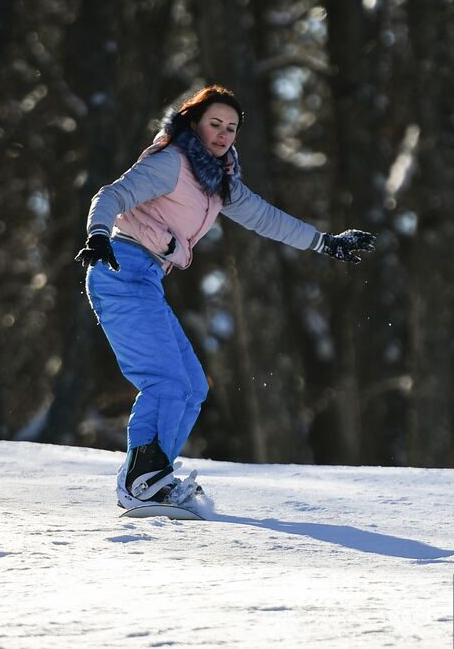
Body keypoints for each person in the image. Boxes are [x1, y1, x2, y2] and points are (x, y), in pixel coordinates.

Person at [75, 85, 375, 509]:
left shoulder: (217, 183)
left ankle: (149, 478)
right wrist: (99, 234)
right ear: (194, 122)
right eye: (215, 124)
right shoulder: (172, 163)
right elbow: (111, 194)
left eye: (231, 129)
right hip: (119, 266)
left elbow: (265, 217)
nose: (222, 134)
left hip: (145, 277)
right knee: (166, 380)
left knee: (193, 385)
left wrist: (324, 242)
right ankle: (143, 480)